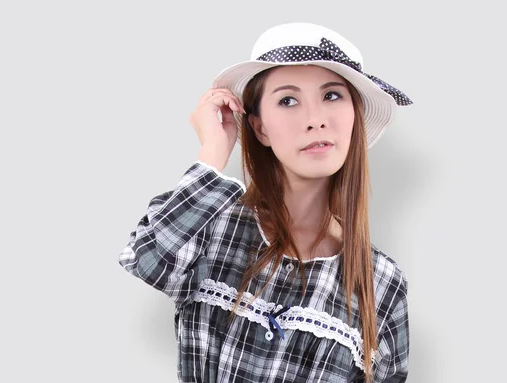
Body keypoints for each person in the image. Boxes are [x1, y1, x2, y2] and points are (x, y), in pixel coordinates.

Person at [118, 22, 412, 383]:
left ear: (355, 114)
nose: (315, 120)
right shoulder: (212, 222)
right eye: (288, 100)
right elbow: (146, 259)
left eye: (332, 95)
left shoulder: (381, 283)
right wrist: (212, 153)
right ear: (260, 128)